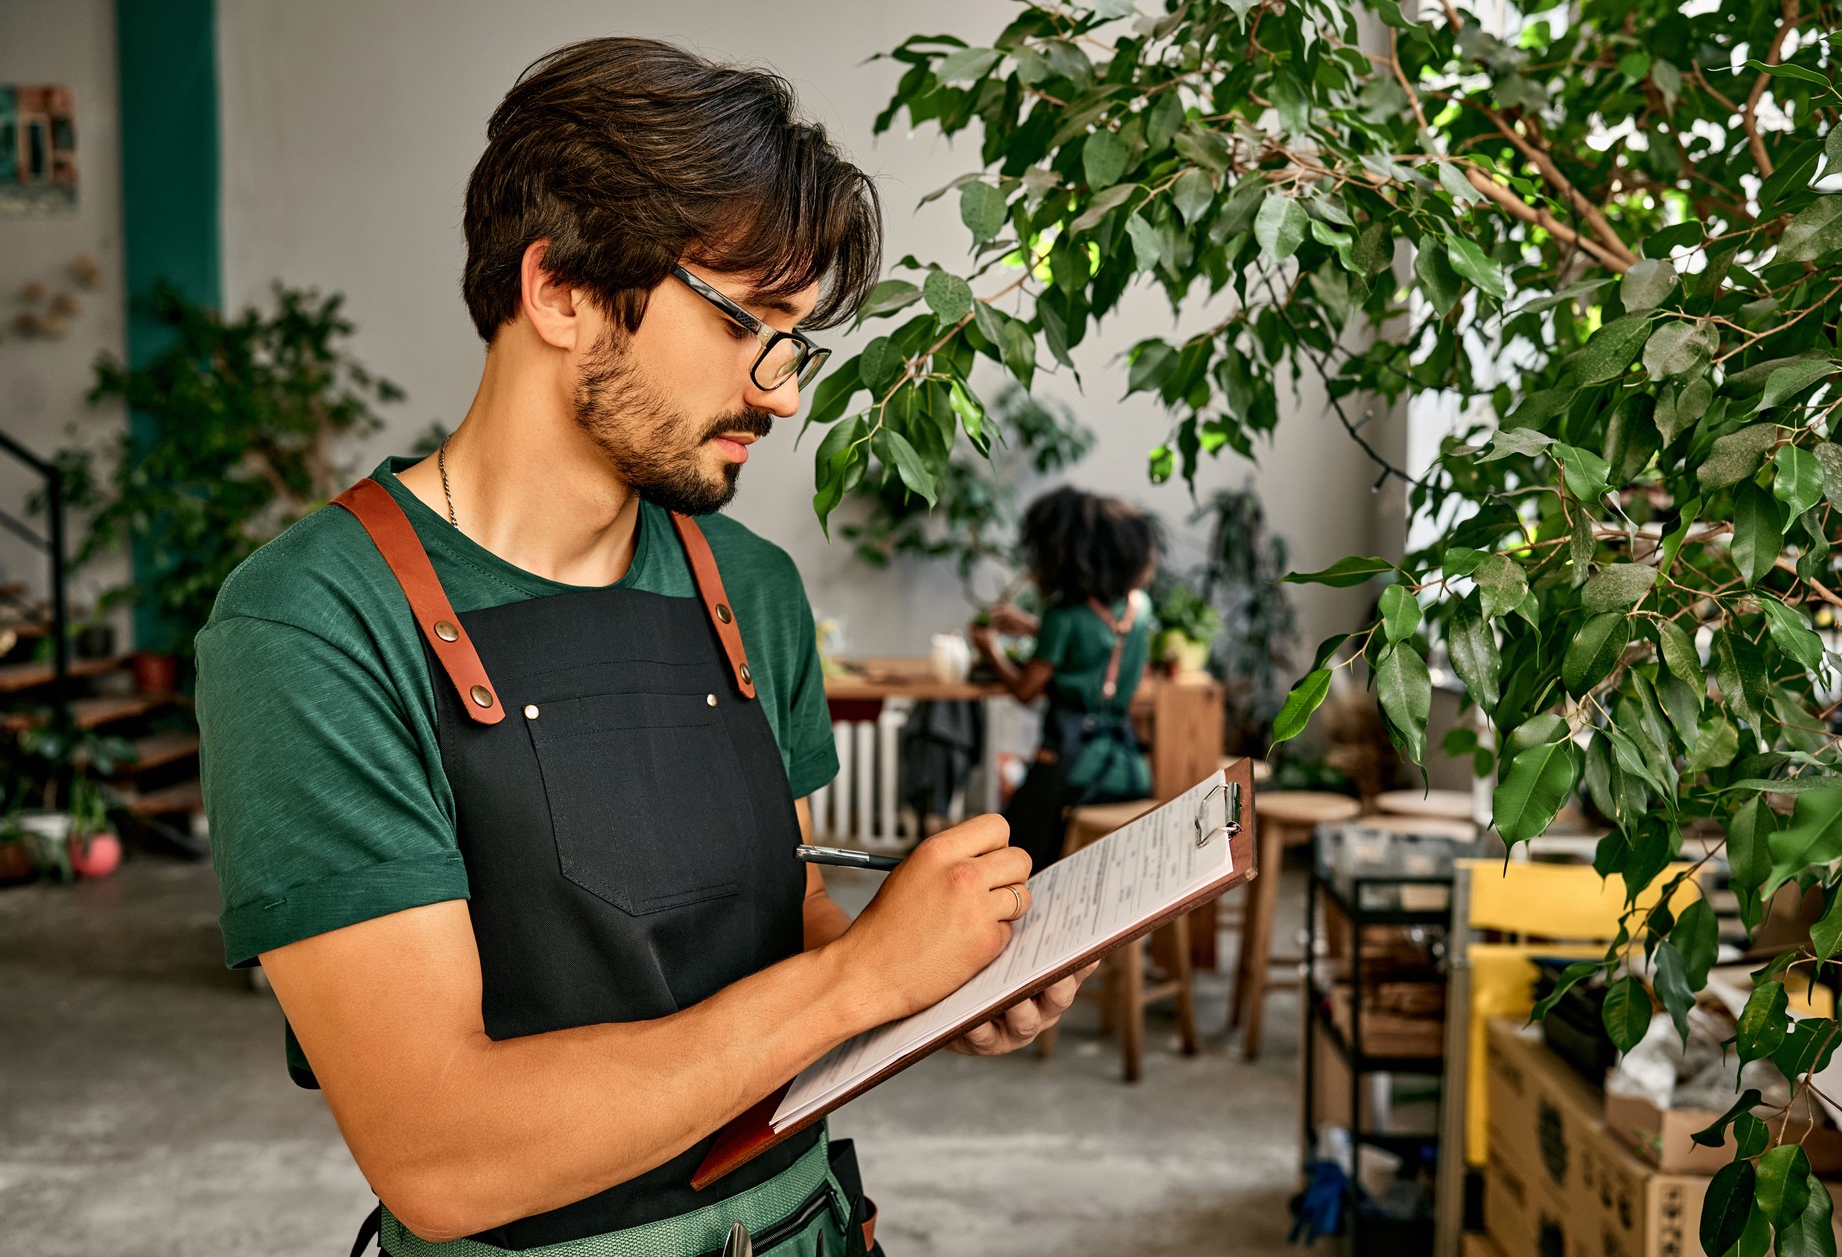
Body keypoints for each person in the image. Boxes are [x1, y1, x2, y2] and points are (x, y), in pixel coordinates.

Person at [196, 39, 1093, 1257]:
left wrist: (950, 979)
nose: (781, 393)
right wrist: (859, 982)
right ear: (560, 289)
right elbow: (440, 1155)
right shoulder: (314, 626)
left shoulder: (750, 590)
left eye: (797, 340)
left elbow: (790, 919)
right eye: (748, 325)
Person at [971, 487, 1163, 871]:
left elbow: (1026, 690)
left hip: (1071, 766)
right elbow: (1101, 642)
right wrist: (1033, 628)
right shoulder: (1139, 607)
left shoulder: (1064, 613)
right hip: (1129, 765)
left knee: (1008, 848)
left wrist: (988, 649)